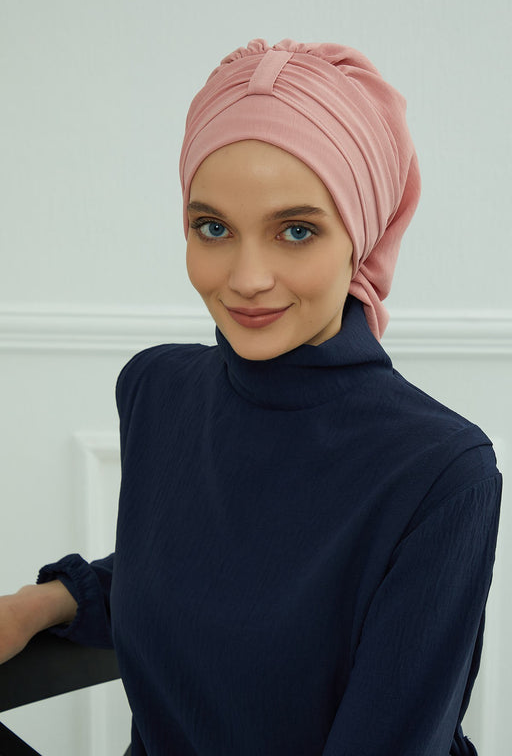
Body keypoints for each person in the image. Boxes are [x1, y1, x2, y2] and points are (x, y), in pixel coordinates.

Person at [0, 39, 502, 756]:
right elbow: (194, 579)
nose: (246, 278)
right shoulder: (156, 390)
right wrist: (38, 604)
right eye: (213, 228)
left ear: (360, 239)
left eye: (296, 231)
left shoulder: (440, 469)